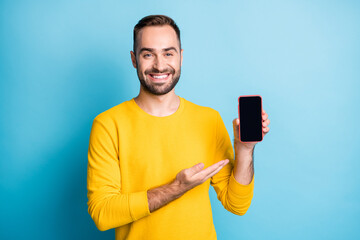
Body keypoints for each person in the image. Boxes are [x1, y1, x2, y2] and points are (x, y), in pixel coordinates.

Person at [87, 15, 270, 240]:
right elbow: (102, 213)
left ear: (181, 57)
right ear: (134, 59)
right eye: (148, 54)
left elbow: (237, 204)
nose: (159, 65)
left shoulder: (208, 120)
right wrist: (176, 188)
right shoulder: (108, 124)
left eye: (168, 53)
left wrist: (244, 149)